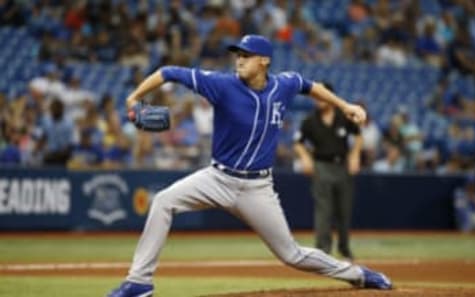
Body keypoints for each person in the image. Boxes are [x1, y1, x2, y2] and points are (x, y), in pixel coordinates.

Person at [107, 35, 392, 297]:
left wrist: (344, 106)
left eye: (246, 54)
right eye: (237, 54)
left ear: (264, 60)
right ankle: (139, 282)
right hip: (216, 179)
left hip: (257, 188)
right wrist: (134, 98)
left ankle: (358, 275)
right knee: (163, 202)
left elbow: (310, 86)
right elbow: (169, 72)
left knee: (291, 255)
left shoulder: (284, 84)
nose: (239, 59)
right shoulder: (221, 85)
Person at [293, 83, 362, 261]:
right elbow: (298, 142)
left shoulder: (344, 116)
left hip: (343, 166)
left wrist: (355, 155)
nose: (318, 100)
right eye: (316, 97)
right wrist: (305, 158)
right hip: (321, 166)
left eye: (321, 96)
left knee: (344, 209)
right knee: (323, 209)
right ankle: (323, 250)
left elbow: (358, 135)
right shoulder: (309, 120)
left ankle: (344, 248)